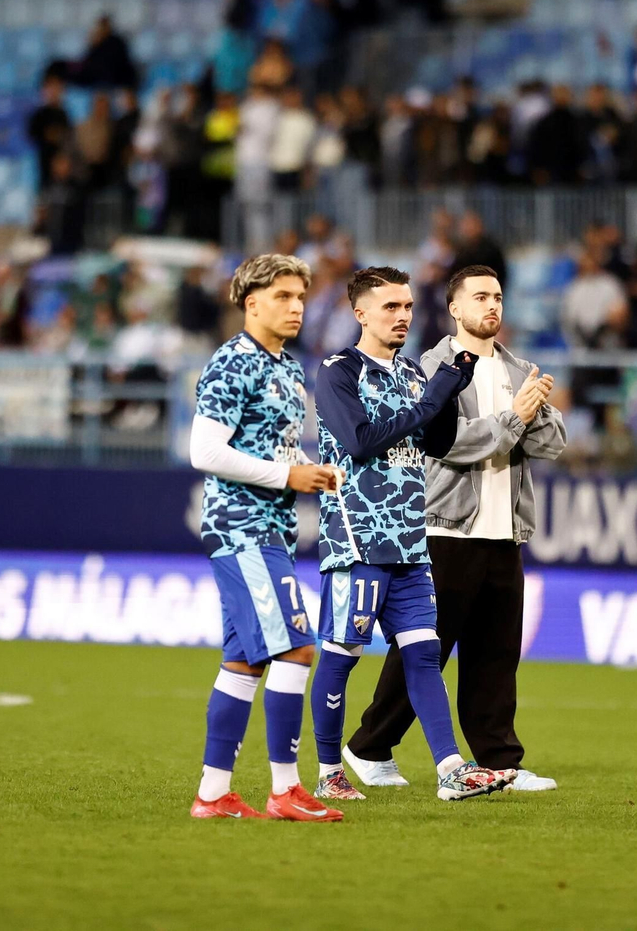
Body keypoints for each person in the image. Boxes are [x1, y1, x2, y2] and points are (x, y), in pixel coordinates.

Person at [343, 266, 566, 793]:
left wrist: (529, 416)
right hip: (446, 530)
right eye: (481, 297)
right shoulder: (429, 370)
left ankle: (501, 760)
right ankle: (369, 745)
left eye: (499, 297)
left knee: (496, 656)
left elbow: (551, 445)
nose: (493, 306)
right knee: (425, 650)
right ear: (455, 310)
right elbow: (449, 443)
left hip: (504, 531)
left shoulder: (521, 369)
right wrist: (514, 418)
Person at [307, 266, 518, 802]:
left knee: (424, 655)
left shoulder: (412, 375)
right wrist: (436, 395)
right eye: (390, 308)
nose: (402, 317)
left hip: (410, 540)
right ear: (360, 313)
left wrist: (448, 396)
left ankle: (451, 771)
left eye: (406, 307)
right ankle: (330, 770)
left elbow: (438, 439)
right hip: (358, 543)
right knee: (342, 655)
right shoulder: (337, 371)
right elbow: (360, 440)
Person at [185, 254, 345, 822]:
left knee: (242, 664)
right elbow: (203, 451)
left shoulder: (285, 366)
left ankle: (213, 793)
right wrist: (287, 477)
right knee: (298, 648)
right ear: (252, 302)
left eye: (301, 297)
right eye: (283, 296)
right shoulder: (234, 362)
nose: (296, 306)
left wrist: (308, 467)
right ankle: (284, 790)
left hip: (267, 525)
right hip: (242, 527)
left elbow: (266, 446)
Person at [26, 74, 72, 185]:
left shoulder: (64, 114)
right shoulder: (39, 114)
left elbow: (68, 137)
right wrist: (47, 135)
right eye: (51, 87)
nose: (55, 91)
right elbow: (32, 134)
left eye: (58, 87)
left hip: (64, 165)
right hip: (45, 164)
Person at [72, 15, 137, 91]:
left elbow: (113, 67)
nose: (101, 29)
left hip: (115, 82)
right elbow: (88, 64)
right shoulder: (95, 44)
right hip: (99, 82)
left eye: (103, 26)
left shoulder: (117, 43)